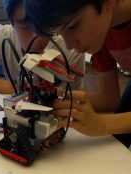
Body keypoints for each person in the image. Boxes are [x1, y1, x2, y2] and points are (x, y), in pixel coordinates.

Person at [25, 0, 131, 147]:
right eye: (60, 33)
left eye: (73, 26)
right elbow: (109, 98)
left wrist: (102, 125)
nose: (69, 45)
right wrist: (55, 99)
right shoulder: (103, 29)